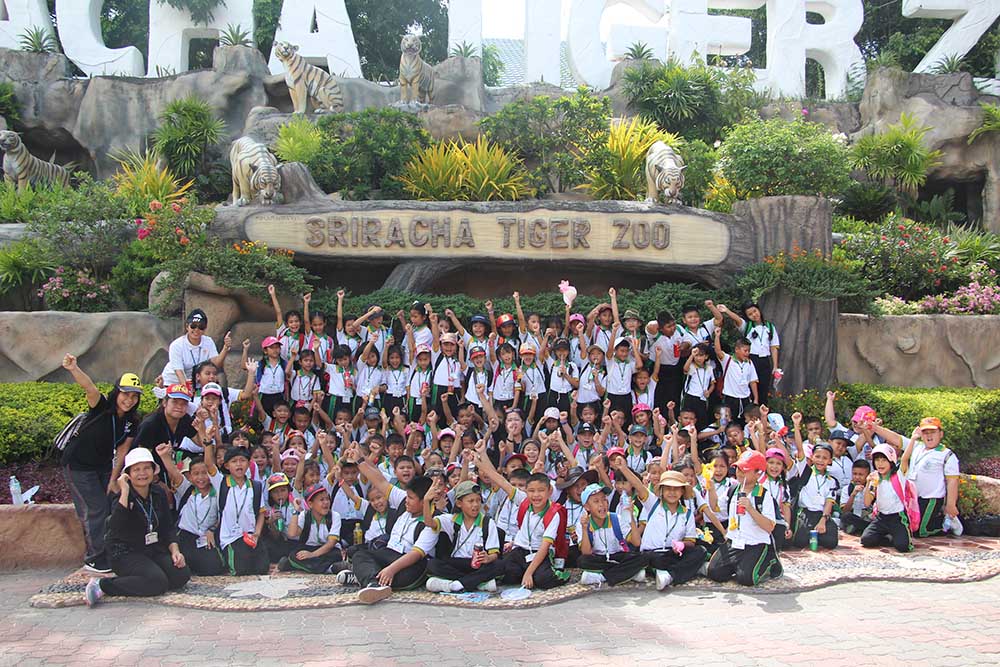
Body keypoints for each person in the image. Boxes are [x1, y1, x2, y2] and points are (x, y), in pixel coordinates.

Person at [60, 354, 143, 573]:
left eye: (134, 396)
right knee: (95, 509)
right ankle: (95, 558)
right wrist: (73, 368)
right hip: (78, 465)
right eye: (125, 394)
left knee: (111, 504)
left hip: (102, 466)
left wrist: (114, 479)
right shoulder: (102, 407)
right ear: (117, 392)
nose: (129, 400)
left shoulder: (132, 421)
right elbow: (89, 387)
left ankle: (111, 550)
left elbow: (123, 450)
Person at [84, 448, 190, 607]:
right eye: (136, 469)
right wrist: (125, 491)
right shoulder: (122, 497)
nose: (142, 473)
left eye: (147, 468)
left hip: (152, 548)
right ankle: (102, 585)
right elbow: (115, 526)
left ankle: (143, 578)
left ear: (153, 471)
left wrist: (175, 551)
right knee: (157, 583)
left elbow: (168, 527)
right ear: (128, 474)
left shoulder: (158, 493)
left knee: (181, 574)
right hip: (125, 552)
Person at [341, 455, 438, 604]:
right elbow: (379, 481)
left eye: (411, 498)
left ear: (424, 501)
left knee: (382, 567)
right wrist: (359, 460)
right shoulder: (403, 502)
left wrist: (391, 569)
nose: (406, 500)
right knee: (360, 554)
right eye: (407, 496)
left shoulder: (433, 522)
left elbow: (415, 555)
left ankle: (366, 577)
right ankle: (373, 584)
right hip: (389, 554)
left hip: (408, 566)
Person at [869, 417, 960, 537]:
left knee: (920, 531)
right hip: (911, 497)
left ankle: (945, 523)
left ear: (941, 434)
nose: (929, 436)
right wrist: (874, 428)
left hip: (930, 499)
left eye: (933, 432)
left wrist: (951, 505)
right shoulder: (916, 446)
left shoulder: (947, 455)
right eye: (925, 432)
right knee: (907, 526)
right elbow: (896, 438)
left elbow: (952, 480)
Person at [707, 451, 782, 586]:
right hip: (734, 542)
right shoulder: (733, 490)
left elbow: (770, 526)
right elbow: (715, 507)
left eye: (745, 470)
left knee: (746, 579)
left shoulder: (763, 495)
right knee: (715, 573)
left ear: (758, 473)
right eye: (738, 469)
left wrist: (750, 509)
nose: (740, 473)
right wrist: (711, 489)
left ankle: (769, 560)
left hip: (755, 543)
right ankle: (740, 564)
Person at [424, 479, 505, 593]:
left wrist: (488, 558)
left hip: (478, 565)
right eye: (470, 501)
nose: (475, 505)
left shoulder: (487, 523)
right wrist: (426, 501)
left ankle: (455, 585)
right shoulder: (451, 520)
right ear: (459, 503)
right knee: (432, 564)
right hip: (456, 563)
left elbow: (494, 554)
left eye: (478, 500)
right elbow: (429, 523)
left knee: (499, 565)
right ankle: (476, 583)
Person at [160, 449, 223, 576]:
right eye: (196, 474)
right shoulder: (187, 489)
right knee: (179, 563)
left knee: (212, 567)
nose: (200, 478)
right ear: (190, 476)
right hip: (186, 536)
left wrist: (212, 530)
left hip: (206, 536)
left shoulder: (218, 491)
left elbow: (222, 516)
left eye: (204, 473)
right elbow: (174, 472)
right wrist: (164, 455)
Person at [576, 482, 647, 586]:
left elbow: (636, 543)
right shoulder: (582, 524)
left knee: (643, 557)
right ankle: (629, 573)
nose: (602, 504)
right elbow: (586, 552)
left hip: (618, 556)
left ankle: (601, 577)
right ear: (587, 507)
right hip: (599, 558)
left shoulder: (617, 519)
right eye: (596, 501)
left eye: (604, 499)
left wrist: (631, 516)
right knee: (582, 561)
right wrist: (584, 528)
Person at [131, 383, 200, 480]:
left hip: (169, 467)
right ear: (164, 403)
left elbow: (200, 442)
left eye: (184, 403)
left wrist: (202, 425)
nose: (179, 406)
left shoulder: (185, 419)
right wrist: (156, 480)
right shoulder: (150, 424)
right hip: (147, 473)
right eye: (175, 402)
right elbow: (141, 455)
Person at [717, 302, 780, 405]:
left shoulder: (769, 326)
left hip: (765, 360)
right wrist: (726, 310)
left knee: (764, 389)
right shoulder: (747, 326)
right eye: (750, 314)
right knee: (750, 387)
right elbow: (738, 320)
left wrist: (775, 366)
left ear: (759, 309)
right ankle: (750, 410)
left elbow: (774, 347)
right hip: (751, 359)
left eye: (755, 311)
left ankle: (762, 411)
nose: (754, 315)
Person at [860, 444, 914, 553]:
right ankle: (888, 537)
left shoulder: (898, 475)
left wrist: (913, 439)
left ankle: (897, 535)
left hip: (897, 517)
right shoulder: (875, 478)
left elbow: (905, 458)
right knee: (866, 540)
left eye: (884, 460)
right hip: (881, 517)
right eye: (877, 460)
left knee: (902, 546)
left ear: (891, 461)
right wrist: (868, 483)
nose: (880, 464)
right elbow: (867, 503)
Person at [282, 483, 345, 573]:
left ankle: (301, 566)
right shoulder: (304, 515)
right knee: (294, 555)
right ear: (310, 504)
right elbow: (292, 534)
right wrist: (296, 511)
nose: (326, 503)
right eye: (321, 500)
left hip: (328, 550)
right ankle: (329, 569)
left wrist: (312, 555)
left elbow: (331, 543)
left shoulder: (335, 516)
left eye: (327, 499)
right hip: (309, 547)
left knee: (336, 555)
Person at [162, 309, 231, 386]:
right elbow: (179, 372)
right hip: (173, 382)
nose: (196, 330)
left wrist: (225, 348)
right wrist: (187, 389)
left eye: (201, 327)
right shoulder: (177, 345)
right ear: (187, 326)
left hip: (195, 382)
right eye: (193, 326)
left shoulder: (208, 341)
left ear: (205, 329)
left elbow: (215, 364)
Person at [789, 443, 839, 550]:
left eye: (824, 458)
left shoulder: (831, 481)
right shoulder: (805, 472)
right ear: (812, 457)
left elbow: (829, 502)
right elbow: (800, 451)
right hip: (805, 513)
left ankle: (815, 534)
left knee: (832, 542)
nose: (820, 460)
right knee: (799, 541)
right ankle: (812, 535)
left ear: (830, 461)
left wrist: (823, 519)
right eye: (817, 456)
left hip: (821, 514)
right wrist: (797, 431)